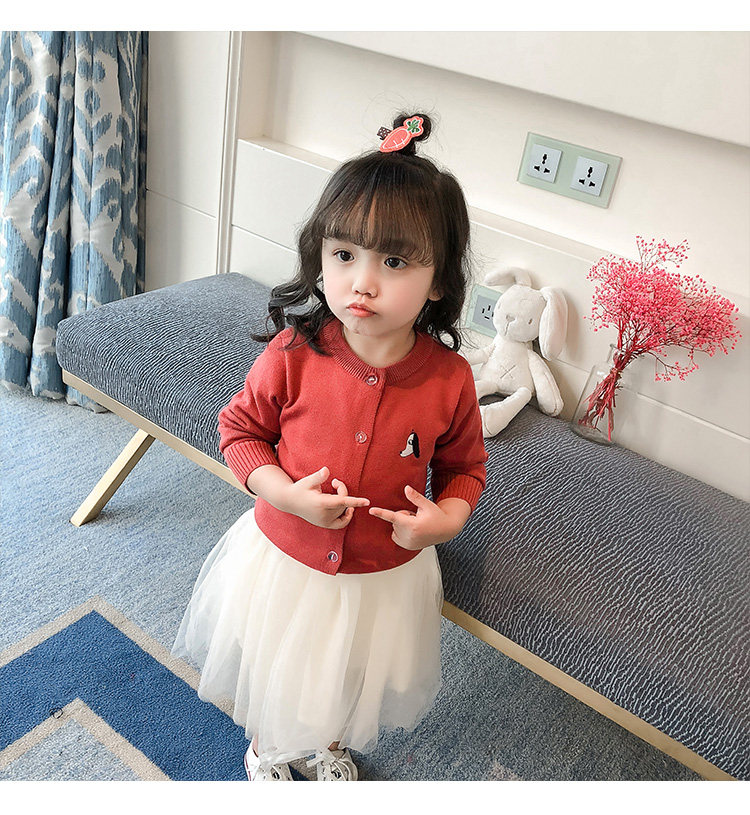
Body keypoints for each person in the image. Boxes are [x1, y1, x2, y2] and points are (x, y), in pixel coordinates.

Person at [172, 112, 488, 782]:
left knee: (352, 671)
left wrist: (447, 519)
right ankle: (268, 746)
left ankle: (328, 742)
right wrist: (285, 493)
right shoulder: (295, 352)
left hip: (385, 573)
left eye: (393, 262)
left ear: (438, 280)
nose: (362, 282)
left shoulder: (449, 378)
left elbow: (464, 468)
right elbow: (240, 432)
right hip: (289, 557)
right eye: (344, 255)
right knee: (283, 663)